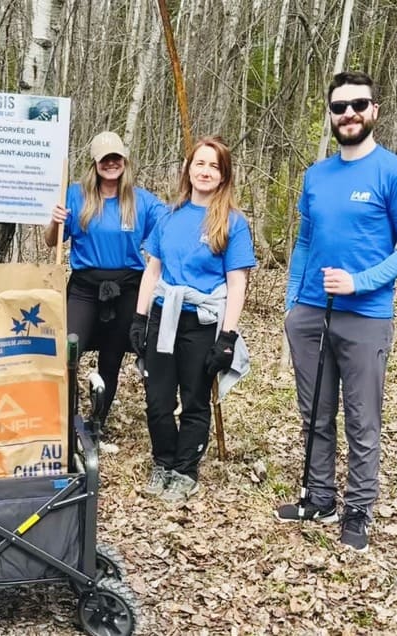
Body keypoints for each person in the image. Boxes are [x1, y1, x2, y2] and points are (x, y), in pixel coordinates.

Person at [275, 71, 397, 552]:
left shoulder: (394, 172)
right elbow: (304, 241)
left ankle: (358, 508)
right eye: (339, 107)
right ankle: (319, 497)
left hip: (366, 317)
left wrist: (361, 282)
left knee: (362, 418)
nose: (349, 114)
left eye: (358, 104)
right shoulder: (316, 175)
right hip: (310, 315)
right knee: (314, 413)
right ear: (332, 114)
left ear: (374, 110)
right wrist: (291, 304)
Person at [131, 136, 256, 504]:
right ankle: (163, 462)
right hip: (164, 316)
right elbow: (152, 271)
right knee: (157, 400)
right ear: (188, 169)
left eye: (213, 166)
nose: (205, 171)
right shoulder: (170, 216)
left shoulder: (232, 223)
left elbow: (237, 284)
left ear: (223, 176)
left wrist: (228, 338)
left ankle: (185, 470)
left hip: (202, 322)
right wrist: (139, 318)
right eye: (199, 163)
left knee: (195, 399)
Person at [43, 131, 165, 431]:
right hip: (85, 287)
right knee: (68, 352)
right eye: (105, 158)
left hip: (127, 289)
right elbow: (51, 242)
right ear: (95, 163)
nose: (111, 163)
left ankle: (97, 422)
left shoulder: (142, 201)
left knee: (111, 360)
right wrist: (54, 222)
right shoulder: (73, 195)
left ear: (124, 160)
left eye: (116, 157)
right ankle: (66, 420)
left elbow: (173, 227)